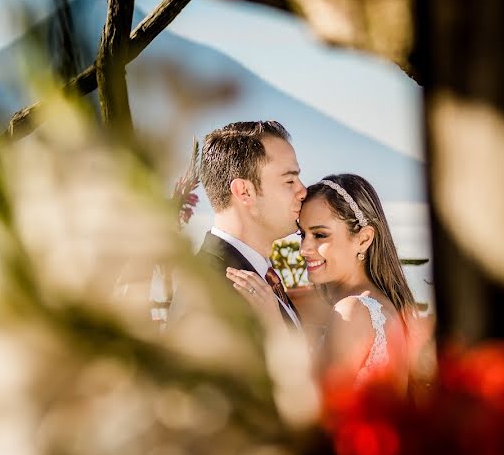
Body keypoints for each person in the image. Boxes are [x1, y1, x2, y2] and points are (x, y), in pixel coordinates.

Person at [169, 120, 307, 335]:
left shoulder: (263, 275)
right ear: (244, 191)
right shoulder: (207, 290)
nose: (303, 191)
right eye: (289, 181)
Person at [297, 173, 422, 394]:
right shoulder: (380, 305)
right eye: (302, 234)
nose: (304, 249)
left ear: (363, 239)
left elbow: (318, 417)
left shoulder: (353, 311)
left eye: (319, 235)